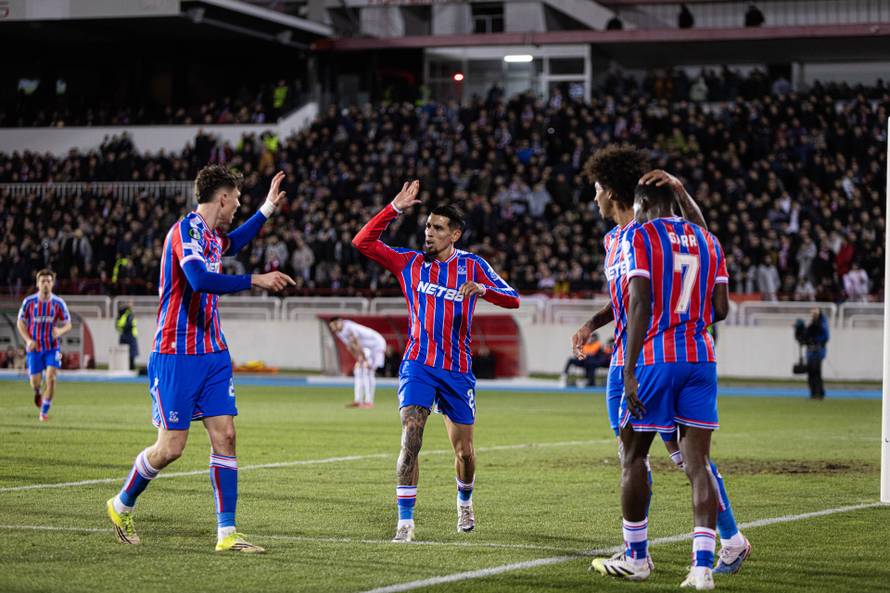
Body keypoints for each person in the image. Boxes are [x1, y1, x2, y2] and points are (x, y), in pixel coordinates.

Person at [570, 154, 748, 582]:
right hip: (654, 356)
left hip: (648, 356)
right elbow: (625, 299)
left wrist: (631, 363)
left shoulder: (643, 235)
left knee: (659, 456)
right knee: (674, 457)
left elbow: (643, 299)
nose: (592, 197)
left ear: (610, 191)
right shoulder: (615, 239)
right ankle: (720, 543)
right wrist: (594, 323)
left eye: (595, 189)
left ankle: (643, 553)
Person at [105, 166, 295, 553]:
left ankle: (227, 534)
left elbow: (234, 244)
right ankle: (121, 503)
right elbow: (199, 279)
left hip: (213, 353)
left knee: (225, 436)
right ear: (222, 197)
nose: (238, 206)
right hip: (176, 354)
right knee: (171, 448)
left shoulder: (211, 237)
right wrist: (255, 280)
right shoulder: (185, 232)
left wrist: (267, 208)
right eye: (238, 199)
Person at [352, 179, 519, 543]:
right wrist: (393, 209)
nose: (429, 233)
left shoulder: (473, 266)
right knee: (411, 435)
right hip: (418, 364)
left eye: (438, 228)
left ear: (455, 234)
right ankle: (405, 524)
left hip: (457, 371)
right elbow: (362, 242)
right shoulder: (409, 263)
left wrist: (484, 290)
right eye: (427, 226)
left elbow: (514, 298)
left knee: (465, 452)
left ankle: (464, 501)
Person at [17, 269, 71, 421]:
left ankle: (44, 411)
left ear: (52, 284)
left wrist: (59, 331)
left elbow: (68, 324)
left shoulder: (58, 303)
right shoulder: (29, 302)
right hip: (34, 348)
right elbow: (20, 322)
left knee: (51, 378)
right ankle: (37, 391)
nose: (45, 284)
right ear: (37, 284)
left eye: (48, 281)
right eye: (43, 281)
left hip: (52, 347)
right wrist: (28, 340)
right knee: (35, 381)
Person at [328, 317, 387, 408]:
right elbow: (350, 347)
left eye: (334, 325)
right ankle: (358, 400)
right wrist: (358, 359)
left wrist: (364, 359)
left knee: (368, 371)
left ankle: (369, 402)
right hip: (366, 348)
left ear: (339, 322)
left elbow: (357, 343)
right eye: (332, 327)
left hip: (376, 345)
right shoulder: (339, 333)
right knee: (358, 371)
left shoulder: (349, 327)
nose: (333, 329)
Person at [805, 309, 829, 400]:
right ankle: (813, 393)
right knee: (811, 373)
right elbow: (806, 336)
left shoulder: (822, 324)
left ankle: (819, 393)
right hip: (810, 352)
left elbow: (825, 337)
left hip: (818, 352)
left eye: (815, 313)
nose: (813, 315)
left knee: (816, 373)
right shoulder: (812, 324)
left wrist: (816, 340)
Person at [116, 299, 138, 370]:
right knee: (131, 352)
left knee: (124, 352)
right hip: (129, 335)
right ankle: (131, 367)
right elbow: (129, 324)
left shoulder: (121, 314)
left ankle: (124, 367)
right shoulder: (128, 314)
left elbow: (118, 325)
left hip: (124, 334)